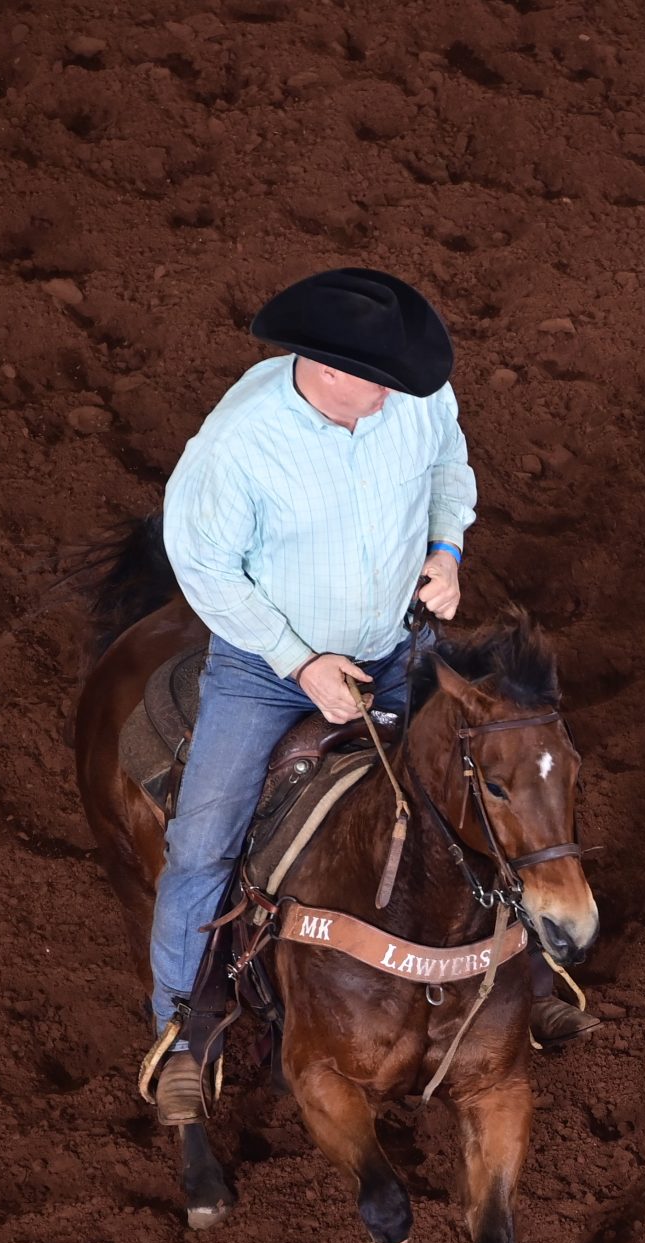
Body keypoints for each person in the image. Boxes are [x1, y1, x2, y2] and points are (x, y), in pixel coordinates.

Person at [145, 268, 592, 1123]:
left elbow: (448, 470)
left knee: (478, 785)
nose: (395, 397)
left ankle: (526, 975)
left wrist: (447, 550)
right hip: (265, 668)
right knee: (203, 841)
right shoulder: (238, 446)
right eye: (378, 382)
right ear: (325, 367)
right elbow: (203, 567)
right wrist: (298, 660)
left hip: (394, 644)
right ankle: (180, 1031)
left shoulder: (413, 397)